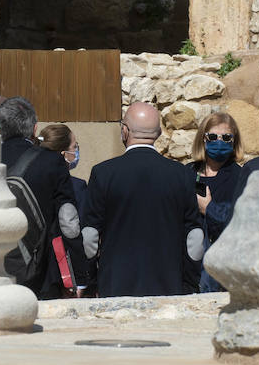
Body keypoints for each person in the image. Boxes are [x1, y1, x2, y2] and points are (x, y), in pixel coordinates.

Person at [82, 101, 203, 297]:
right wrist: (188, 284)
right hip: (169, 286)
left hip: (115, 286)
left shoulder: (103, 174)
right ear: (159, 134)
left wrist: (91, 281)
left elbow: (89, 237)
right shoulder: (182, 175)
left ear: (124, 131)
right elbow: (195, 238)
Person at [0, 97, 80, 295]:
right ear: (34, 129)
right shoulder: (52, 162)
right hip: (38, 274)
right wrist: (81, 273)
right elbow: (68, 222)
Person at [36, 123, 93, 298]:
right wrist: (81, 277)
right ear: (63, 155)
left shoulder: (32, 179)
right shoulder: (76, 186)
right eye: (74, 147)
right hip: (62, 269)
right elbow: (74, 230)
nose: (76, 152)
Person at [191, 111, 245, 293]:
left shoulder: (240, 177)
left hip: (222, 271)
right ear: (203, 138)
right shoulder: (188, 173)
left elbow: (240, 225)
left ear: (234, 141)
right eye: (213, 136)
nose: (219, 142)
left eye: (226, 137)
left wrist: (209, 209)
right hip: (190, 268)